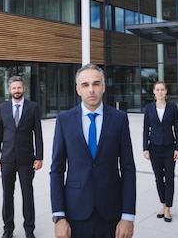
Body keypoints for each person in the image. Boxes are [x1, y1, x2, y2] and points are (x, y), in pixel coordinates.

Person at [50, 63, 136, 238]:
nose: (91, 89)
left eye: (96, 84)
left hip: (112, 213)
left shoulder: (119, 119)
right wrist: (59, 216)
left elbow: (128, 168)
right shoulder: (64, 120)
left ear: (103, 87)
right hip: (75, 212)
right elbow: (57, 170)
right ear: (78, 89)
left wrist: (128, 216)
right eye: (85, 85)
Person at [0, 75, 44, 238]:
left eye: (19, 87)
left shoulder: (33, 107)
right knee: (7, 195)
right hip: (6, 158)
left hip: (26, 159)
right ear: (9, 90)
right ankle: (8, 229)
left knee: (27, 194)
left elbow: (38, 134)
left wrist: (39, 157)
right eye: (14, 88)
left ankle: (29, 229)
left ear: (24, 88)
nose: (17, 90)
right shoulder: (3, 108)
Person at [142, 81, 178, 223]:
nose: (160, 92)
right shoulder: (149, 109)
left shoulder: (172, 108)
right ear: (154, 92)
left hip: (170, 148)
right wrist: (145, 148)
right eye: (157, 89)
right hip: (154, 148)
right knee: (159, 178)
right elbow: (146, 129)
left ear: (166, 91)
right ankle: (163, 205)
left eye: (162, 89)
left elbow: (176, 128)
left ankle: (168, 208)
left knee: (169, 178)